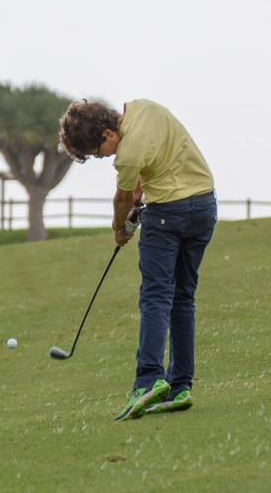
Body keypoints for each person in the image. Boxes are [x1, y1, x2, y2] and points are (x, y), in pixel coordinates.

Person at [59, 99, 217, 421]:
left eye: (98, 152)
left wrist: (120, 229)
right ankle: (180, 387)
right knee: (182, 297)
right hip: (204, 207)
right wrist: (135, 210)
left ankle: (148, 380)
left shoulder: (126, 153)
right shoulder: (145, 107)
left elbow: (124, 198)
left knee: (156, 296)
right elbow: (148, 175)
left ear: (108, 133)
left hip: (167, 215)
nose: (103, 157)